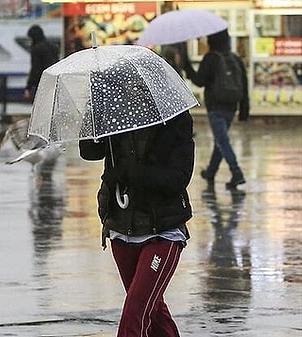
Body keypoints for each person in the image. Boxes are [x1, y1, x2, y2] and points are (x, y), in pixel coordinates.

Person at [79, 110, 194, 337]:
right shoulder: (115, 111)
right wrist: (92, 113)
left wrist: (128, 173)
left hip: (163, 230)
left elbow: (179, 177)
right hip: (122, 229)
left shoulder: (176, 117)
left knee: (136, 312)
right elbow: (89, 152)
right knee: (154, 312)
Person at [183, 29, 249, 188]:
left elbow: (199, 81)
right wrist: (244, 108)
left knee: (222, 140)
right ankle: (211, 172)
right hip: (231, 107)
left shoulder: (211, 58)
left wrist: (187, 66)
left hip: (216, 106)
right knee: (221, 139)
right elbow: (244, 84)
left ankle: (236, 172)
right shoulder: (235, 58)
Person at [24, 25, 59, 102]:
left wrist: (28, 87)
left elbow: (35, 69)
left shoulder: (36, 49)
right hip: (54, 80)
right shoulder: (53, 47)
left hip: (42, 82)